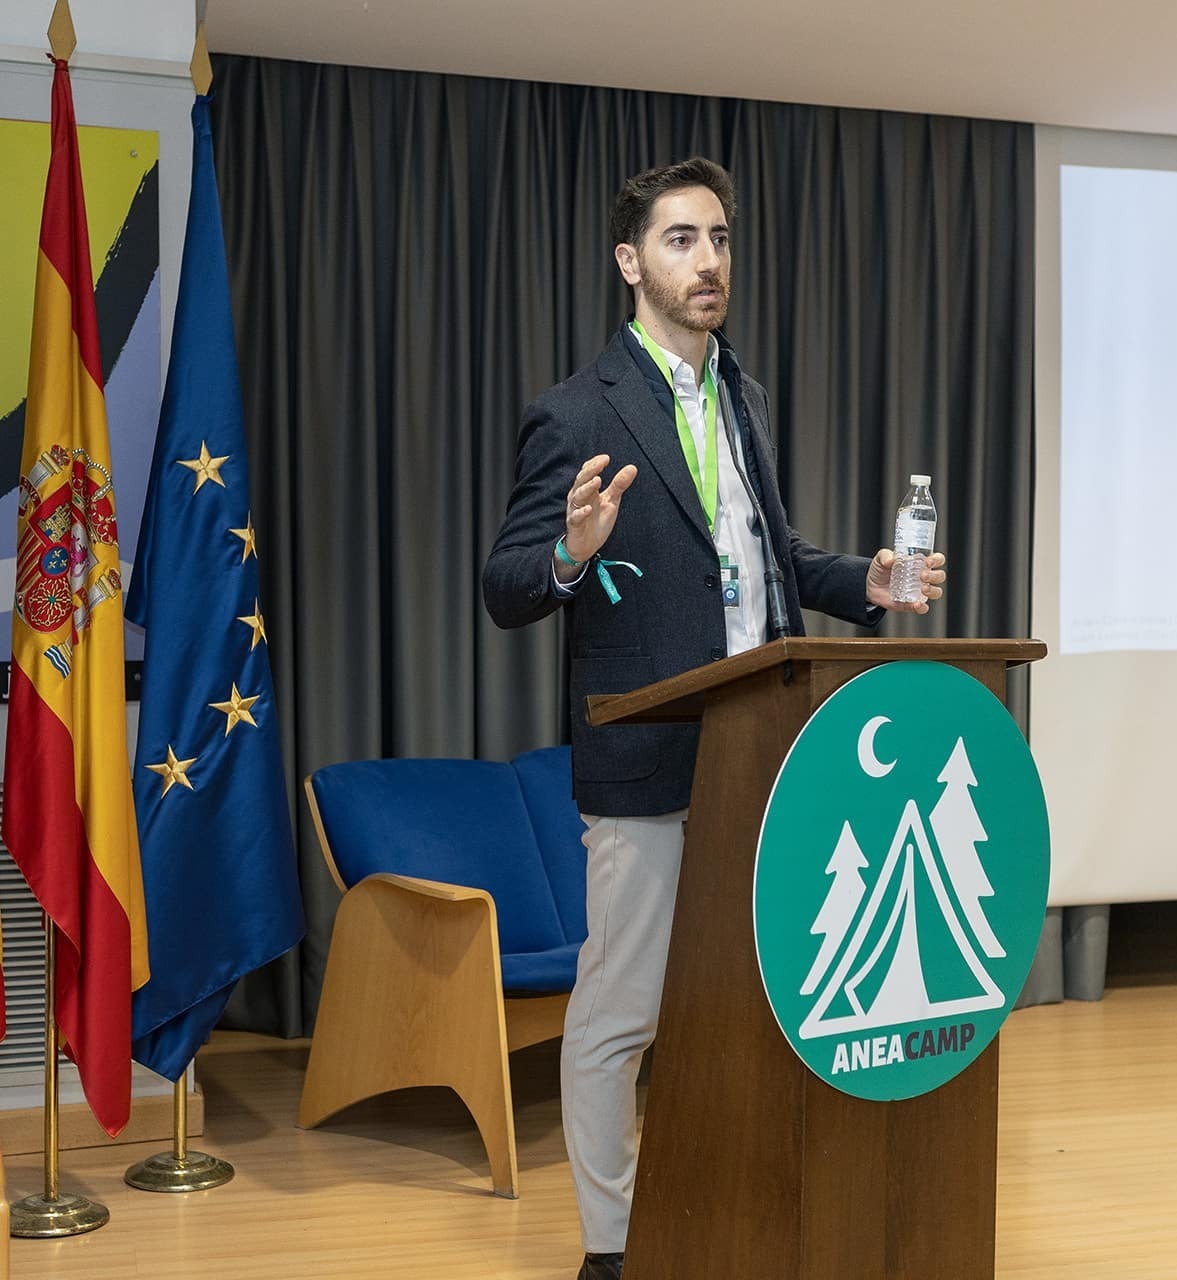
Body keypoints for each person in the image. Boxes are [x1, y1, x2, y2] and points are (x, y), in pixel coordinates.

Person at [482, 157, 947, 1280]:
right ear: (629, 261)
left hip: (763, 759)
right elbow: (505, 586)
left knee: (746, 1008)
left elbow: (761, 562)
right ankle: (608, 1246)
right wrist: (569, 549)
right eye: (683, 239)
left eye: (721, 239)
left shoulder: (741, 399)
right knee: (619, 1015)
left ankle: (723, 1208)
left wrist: (863, 581)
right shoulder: (576, 411)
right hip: (648, 758)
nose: (710, 261)